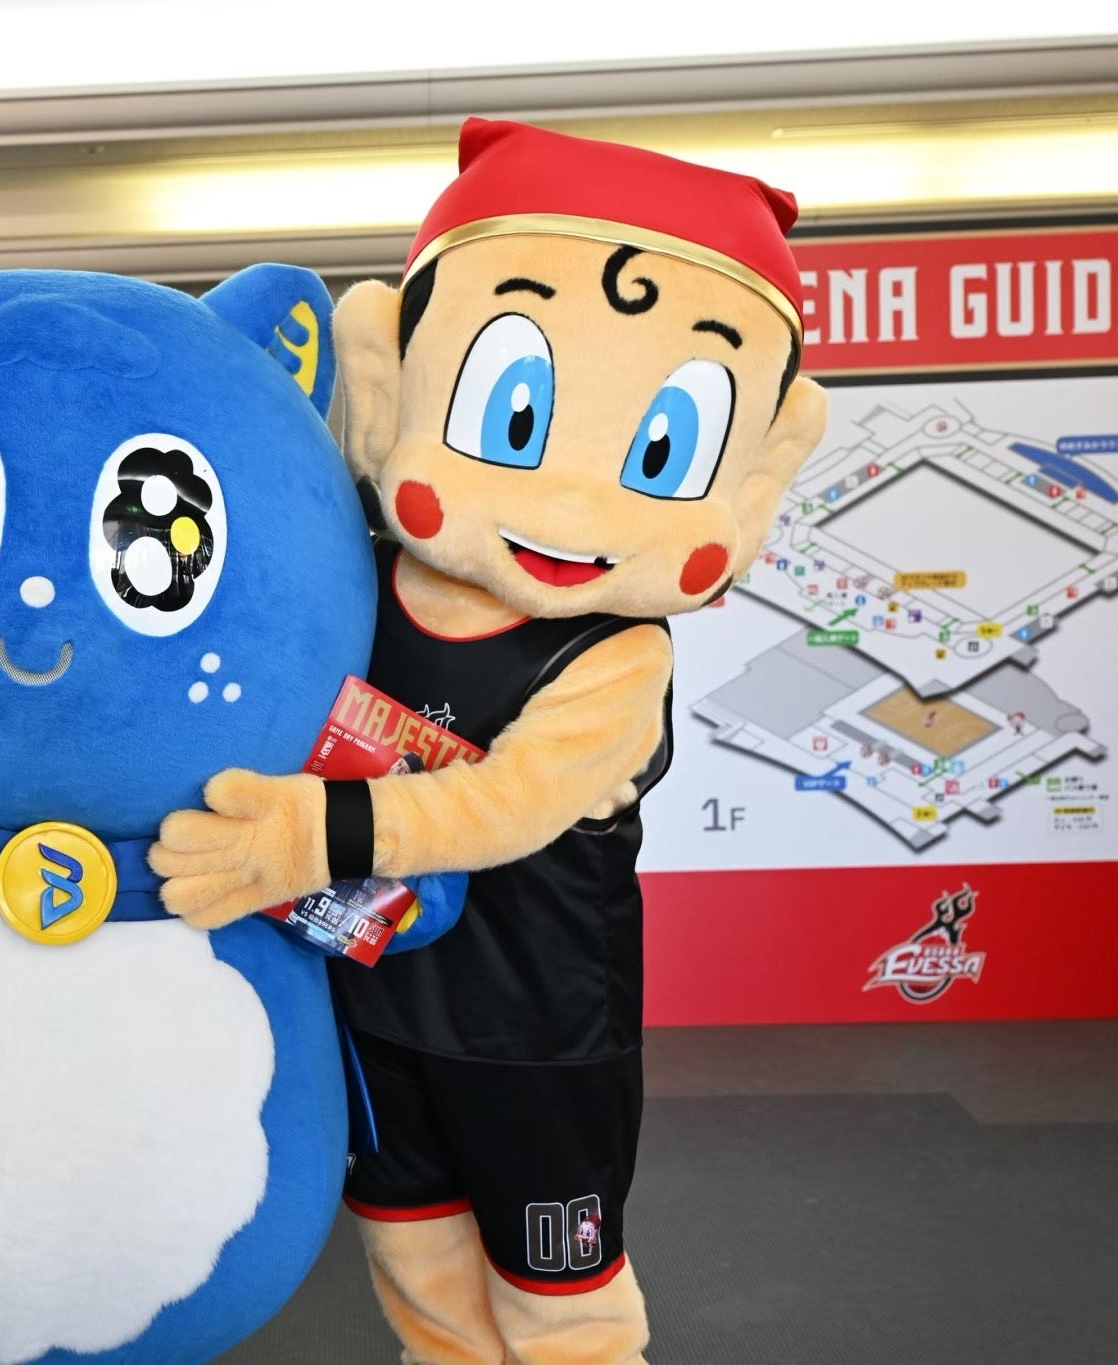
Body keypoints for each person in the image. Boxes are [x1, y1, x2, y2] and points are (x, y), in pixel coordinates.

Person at [151, 119, 829, 1364]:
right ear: (388, 382)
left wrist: (311, 830)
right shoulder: (353, 585)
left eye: (659, 453)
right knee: (414, 1259)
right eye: (512, 414)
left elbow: (513, 803)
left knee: (557, 1298)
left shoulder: (614, 653)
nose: (572, 506)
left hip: (536, 1031)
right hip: (371, 996)